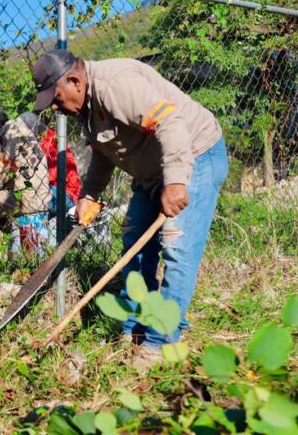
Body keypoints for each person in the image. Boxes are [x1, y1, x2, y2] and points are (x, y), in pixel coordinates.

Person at [31, 49, 228, 373]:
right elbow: (104, 154)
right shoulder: (89, 107)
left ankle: (161, 341)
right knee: (134, 245)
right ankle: (136, 325)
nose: (55, 106)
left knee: (177, 249)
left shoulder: (115, 86)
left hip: (194, 154)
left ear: (75, 81)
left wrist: (176, 182)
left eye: (55, 97)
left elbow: (170, 121)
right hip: (152, 173)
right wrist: (90, 195)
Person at [0, 109, 52, 255]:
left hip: (26, 196)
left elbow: (5, 165)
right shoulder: (18, 131)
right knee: (32, 250)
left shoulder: (10, 132)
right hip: (36, 193)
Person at [19, 111, 81, 213]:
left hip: (66, 192)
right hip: (50, 188)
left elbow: (49, 177)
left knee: (28, 192)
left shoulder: (51, 140)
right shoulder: (32, 142)